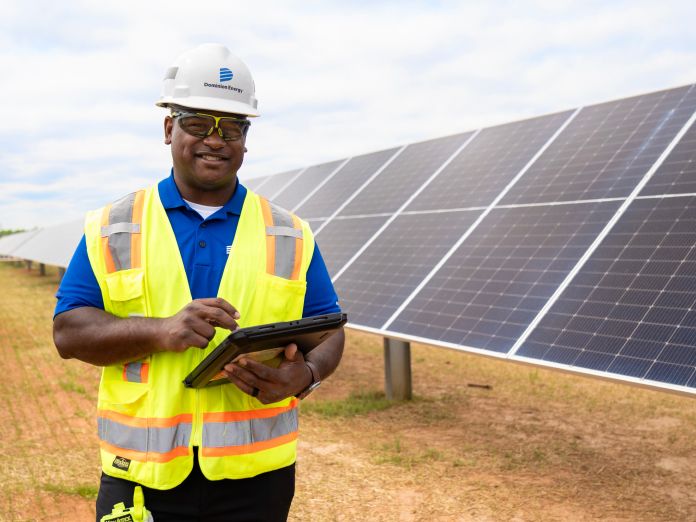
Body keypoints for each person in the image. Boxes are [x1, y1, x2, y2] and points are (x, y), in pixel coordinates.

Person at [52, 43, 344, 521]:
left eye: (231, 127)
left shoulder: (289, 232)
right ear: (169, 128)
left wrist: (304, 377)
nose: (215, 139)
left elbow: (329, 331)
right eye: (197, 123)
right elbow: (68, 333)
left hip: (258, 480)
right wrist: (159, 330)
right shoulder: (114, 225)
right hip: (142, 479)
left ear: (245, 139)